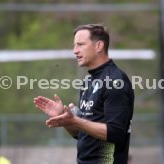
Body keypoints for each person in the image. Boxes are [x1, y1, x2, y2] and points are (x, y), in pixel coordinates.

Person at [34, 24, 134, 164]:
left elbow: (116, 133)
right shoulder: (88, 81)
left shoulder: (115, 81)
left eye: (80, 44)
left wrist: (76, 120)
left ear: (99, 46)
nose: (75, 51)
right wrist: (64, 117)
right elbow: (80, 133)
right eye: (74, 45)